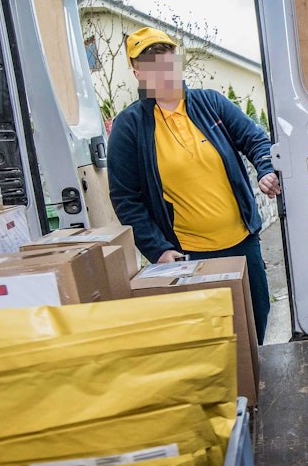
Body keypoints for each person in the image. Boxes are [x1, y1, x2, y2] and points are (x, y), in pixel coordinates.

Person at [108, 27, 281, 342]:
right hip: (189, 255)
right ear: (138, 74)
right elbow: (125, 197)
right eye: (152, 68)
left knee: (257, 316)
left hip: (242, 243)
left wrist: (265, 169)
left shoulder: (210, 103)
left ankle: (258, 381)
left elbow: (254, 138)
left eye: (168, 63)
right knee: (210, 333)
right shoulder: (129, 126)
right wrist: (157, 249)